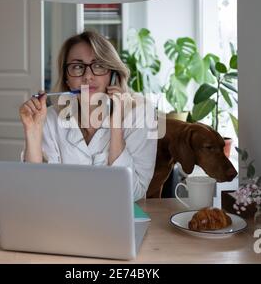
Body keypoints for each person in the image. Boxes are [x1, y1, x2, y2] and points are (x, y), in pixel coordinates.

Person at [19, 31, 157, 201]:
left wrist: (116, 128)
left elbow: (133, 193)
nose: (88, 76)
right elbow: (35, 189)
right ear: (67, 78)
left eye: (98, 65)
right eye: (77, 67)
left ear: (112, 74)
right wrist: (33, 131)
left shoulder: (141, 114)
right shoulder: (51, 119)